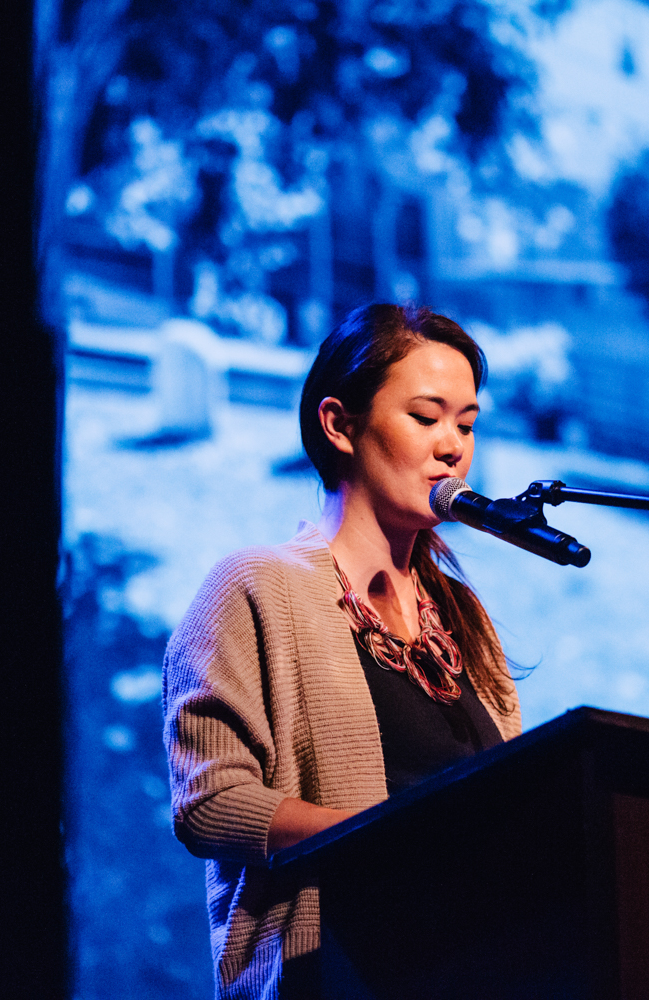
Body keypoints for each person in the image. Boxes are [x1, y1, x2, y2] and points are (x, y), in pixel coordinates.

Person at [162, 303, 522, 999]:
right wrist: (394, 839)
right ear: (338, 423)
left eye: (467, 424)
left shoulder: (461, 615)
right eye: (426, 417)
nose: (453, 445)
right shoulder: (256, 586)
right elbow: (210, 803)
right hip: (341, 973)